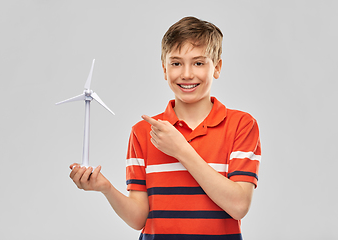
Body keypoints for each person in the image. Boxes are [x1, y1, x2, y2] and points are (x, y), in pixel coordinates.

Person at [69, 16, 261, 240]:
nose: (187, 74)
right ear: (164, 69)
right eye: (176, 63)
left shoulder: (241, 125)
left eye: (198, 63)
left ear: (216, 67)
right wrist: (106, 188)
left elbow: (239, 206)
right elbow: (138, 219)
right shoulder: (143, 132)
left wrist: (181, 150)